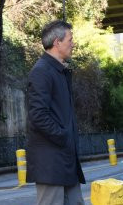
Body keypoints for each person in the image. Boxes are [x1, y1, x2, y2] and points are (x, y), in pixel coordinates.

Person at [26, 20, 85, 205]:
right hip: (50, 162)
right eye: (70, 39)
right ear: (57, 42)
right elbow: (38, 115)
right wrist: (64, 136)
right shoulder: (41, 71)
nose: (73, 43)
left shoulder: (59, 71)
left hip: (65, 158)